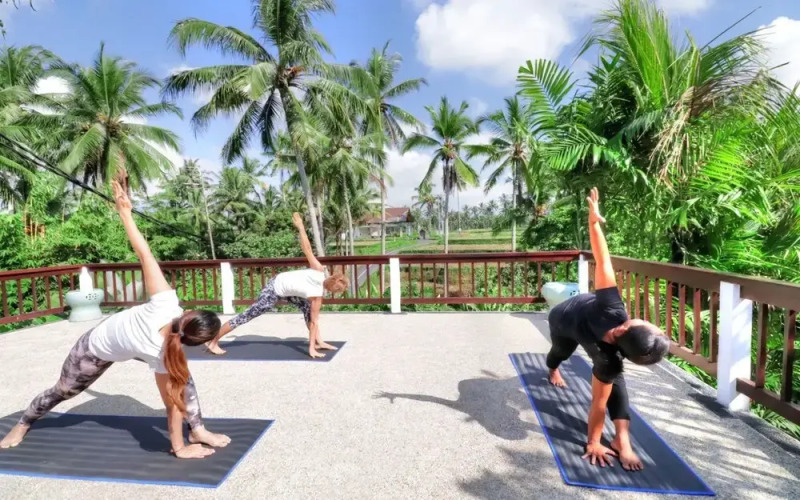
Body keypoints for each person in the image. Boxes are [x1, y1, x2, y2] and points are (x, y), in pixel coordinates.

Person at [0, 181, 230, 459]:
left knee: (184, 381)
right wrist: (179, 450)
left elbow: (144, 253)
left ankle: (197, 430)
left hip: (131, 343)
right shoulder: (164, 323)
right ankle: (23, 423)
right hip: (95, 348)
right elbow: (171, 404)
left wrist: (125, 213)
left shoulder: (168, 314)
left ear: (187, 314)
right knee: (64, 390)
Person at [546, 188, 670, 471]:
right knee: (560, 353)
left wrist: (594, 442)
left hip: (590, 335)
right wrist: (593, 223)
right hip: (564, 318)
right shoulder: (610, 307)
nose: (646, 319)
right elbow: (602, 259)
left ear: (625, 329)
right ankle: (552, 370)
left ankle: (621, 440)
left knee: (615, 380)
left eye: (645, 322)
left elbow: (598, 404)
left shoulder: (610, 353)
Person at [206, 212, 349, 359]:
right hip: (274, 288)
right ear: (333, 289)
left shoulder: (319, 269)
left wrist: (301, 227)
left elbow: (307, 249)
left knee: (307, 308)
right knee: (248, 315)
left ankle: (319, 342)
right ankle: (213, 342)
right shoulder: (317, 295)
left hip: (288, 290)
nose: (337, 293)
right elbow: (314, 322)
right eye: (338, 291)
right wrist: (311, 349)